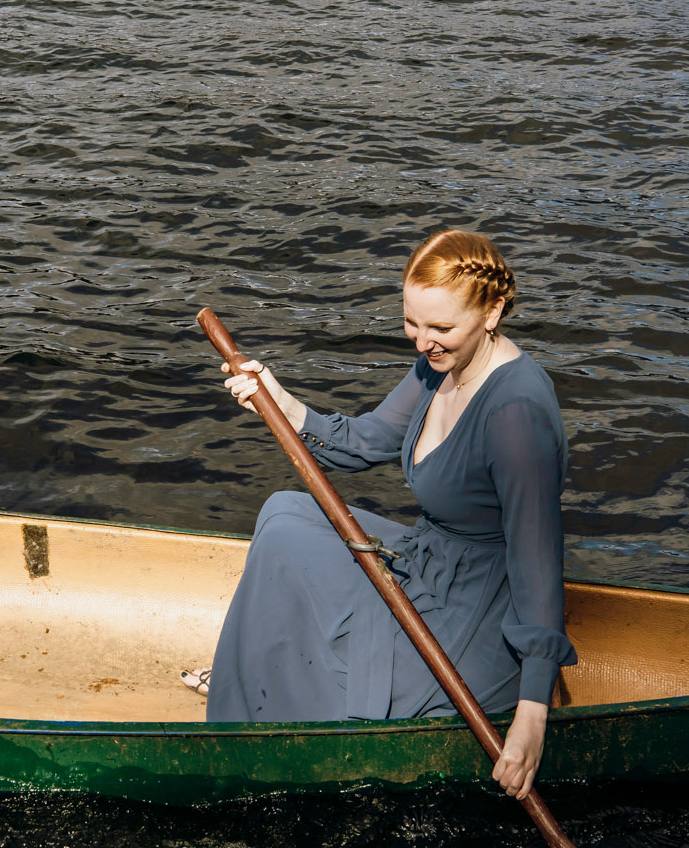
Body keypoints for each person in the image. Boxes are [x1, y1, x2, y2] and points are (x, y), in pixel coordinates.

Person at [191, 229, 575, 798]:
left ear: (493, 310)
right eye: (411, 323)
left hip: (481, 607)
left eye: (441, 327)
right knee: (286, 516)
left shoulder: (515, 413)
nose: (423, 342)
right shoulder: (439, 363)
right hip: (432, 555)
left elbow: (537, 561)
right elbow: (364, 441)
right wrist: (276, 397)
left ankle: (271, 686)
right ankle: (252, 675)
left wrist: (533, 717)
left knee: (317, 603)